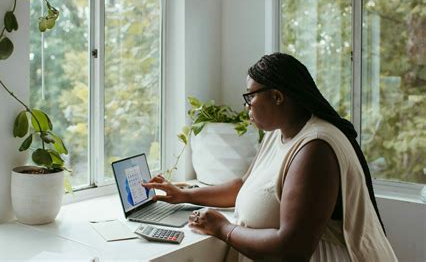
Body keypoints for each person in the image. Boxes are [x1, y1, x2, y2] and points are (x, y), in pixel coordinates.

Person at [142, 53, 397, 261]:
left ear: (277, 96)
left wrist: (223, 228)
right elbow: (243, 185)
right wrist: (184, 194)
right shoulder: (280, 133)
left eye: (250, 96)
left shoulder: (315, 148)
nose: (246, 105)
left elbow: (292, 249)